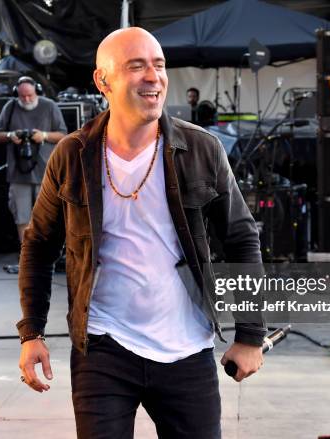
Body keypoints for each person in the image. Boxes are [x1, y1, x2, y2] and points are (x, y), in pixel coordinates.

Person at [17, 27, 265, 439]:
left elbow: (242, 237)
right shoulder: (73, 155)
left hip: (187, 347)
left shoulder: (202, 149)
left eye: (159, 65)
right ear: (103, 81)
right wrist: (32, 333)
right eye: (137, 66)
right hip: (103, 347)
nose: (153, 76)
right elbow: (39, 244)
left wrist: (251, 333)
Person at [0, 76, 67, 273]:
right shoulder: (9, 107)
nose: (26, 100)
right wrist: (11, 135)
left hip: (45, 172)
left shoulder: (49, 106)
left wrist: (42, 136)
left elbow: (63, 134)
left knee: (48, 217)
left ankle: (48, 257)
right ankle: (28, 257)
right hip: (19, 174)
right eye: (22, 96)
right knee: (22, 217)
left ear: (37, 92)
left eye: (29, 96)